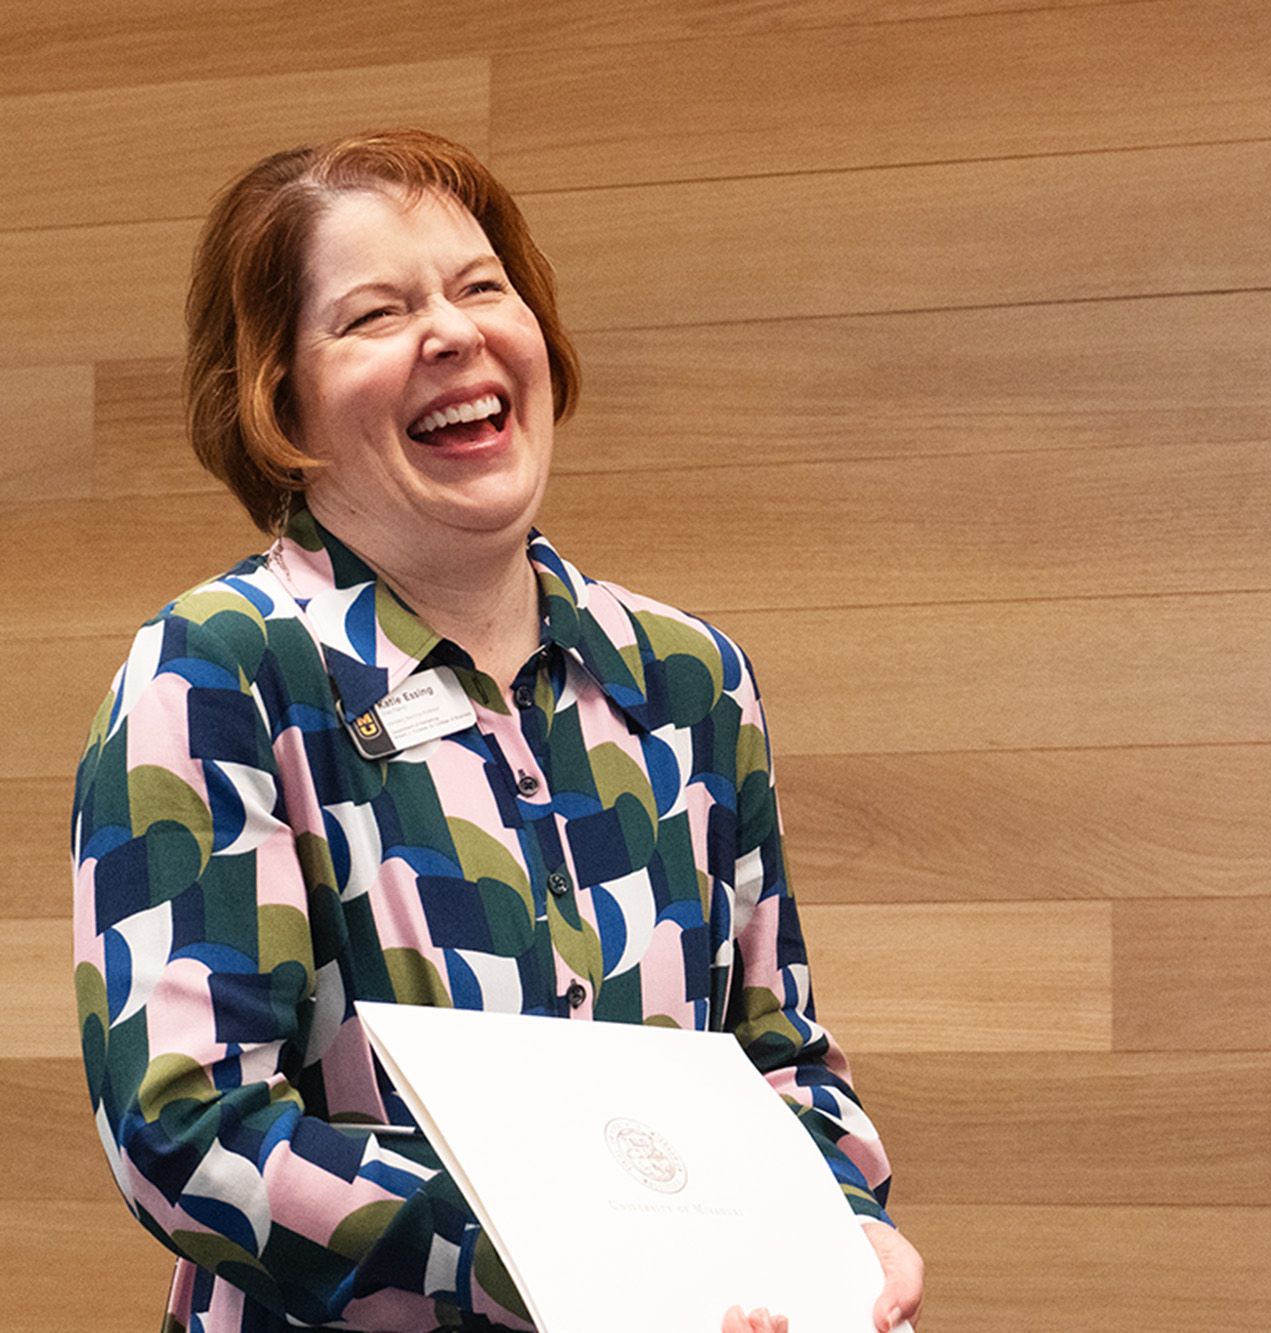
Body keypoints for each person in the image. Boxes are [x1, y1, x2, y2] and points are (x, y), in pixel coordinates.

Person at [70, 129, 923, 1333]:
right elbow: (187, 1131)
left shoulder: (689, 677)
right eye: (373, 314)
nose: (454, 332)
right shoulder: (219, 670)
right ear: (276, 399)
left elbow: (776, 1051)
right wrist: (548, 1254)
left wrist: (840, 1223)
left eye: (481, 286)